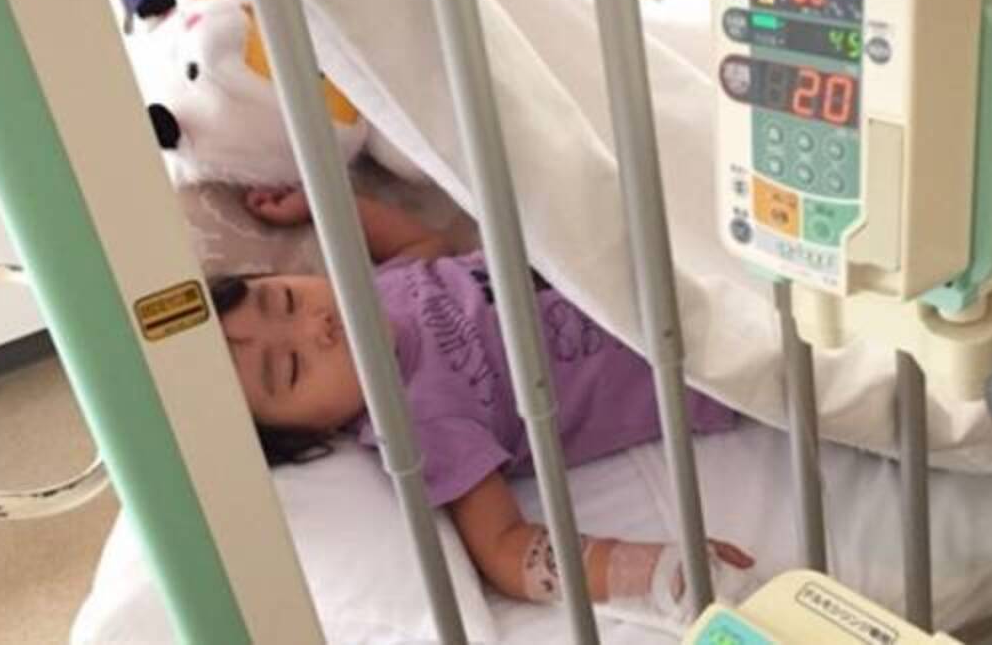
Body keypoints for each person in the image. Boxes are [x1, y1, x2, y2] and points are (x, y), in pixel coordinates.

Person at [213, 185, 757, 628]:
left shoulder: (381, 290)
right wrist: (662, 574)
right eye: (292, 368)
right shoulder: (413, 424)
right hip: (696, 360)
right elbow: (504, 550)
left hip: (660, 262)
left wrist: (322, 200)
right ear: (315, 431)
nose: (317, 328)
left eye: (286, 299)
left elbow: (427, 242)